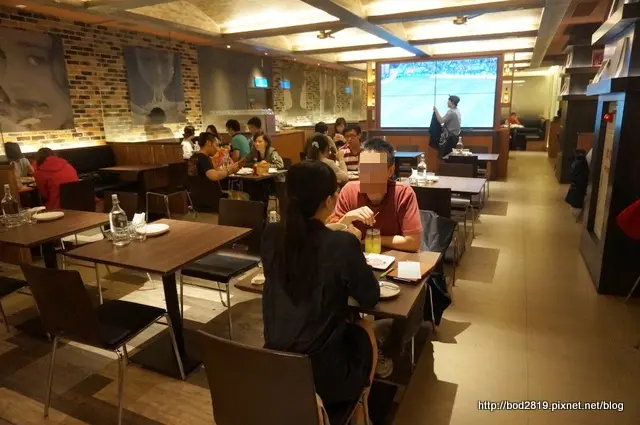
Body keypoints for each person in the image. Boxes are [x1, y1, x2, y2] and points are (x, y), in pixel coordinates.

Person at [261, 160, 380, 409]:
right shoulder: (342, 244)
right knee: (365, 328)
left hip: (275, 365)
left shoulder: (271, 235)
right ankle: (360, 408)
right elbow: (370, 296)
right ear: (328, 200)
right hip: (324, 377)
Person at [331, 139, 422, 253]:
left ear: (390, 171)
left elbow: (413, 242)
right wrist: (347, 218)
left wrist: (368, 238)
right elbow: (330, 236)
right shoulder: (349, 191)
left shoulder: (403, 193)